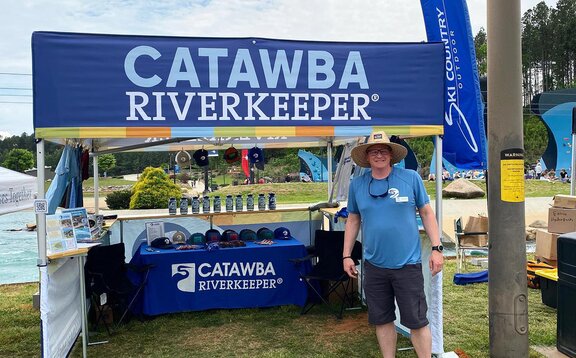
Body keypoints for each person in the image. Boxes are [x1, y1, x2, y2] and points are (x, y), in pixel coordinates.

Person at [342, 131, 443, 358]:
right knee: (382, 319)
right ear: (367, 157)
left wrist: (436, 248)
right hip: (375, 266)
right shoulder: (357, 185)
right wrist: (346, 255)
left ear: (391, 155)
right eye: (374, 151)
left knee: (417, 321)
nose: (379, 155)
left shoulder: (410, 178)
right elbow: (353, 219)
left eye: (383, 150)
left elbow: (426, 212)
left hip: (408, 265)